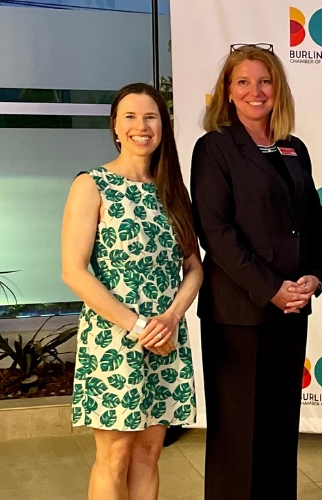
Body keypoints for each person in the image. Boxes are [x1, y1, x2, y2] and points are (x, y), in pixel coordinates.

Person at [190, 44, 322, 500]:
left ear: (278, 88)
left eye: (265, 81)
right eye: (243, 82)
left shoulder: (295, 148)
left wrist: (314, 276)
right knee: (239, 438)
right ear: (227, 92)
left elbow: (311, 222)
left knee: (279, 431)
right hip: (239, 313)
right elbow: (216, 231)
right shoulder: (214, 148)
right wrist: (270, 288)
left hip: (291, 310)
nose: (256, 91)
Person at [62, 82, 202, 499]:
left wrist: (171, 318)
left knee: (149, 454)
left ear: (163, 126)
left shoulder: (172, 190)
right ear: (115, 128)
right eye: (131, 117)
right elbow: (74, 271)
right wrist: (139, 326)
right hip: (114, 338)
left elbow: (193, 266)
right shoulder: (92, 184)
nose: (142, 126)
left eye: (151, 117)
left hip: (166, 336)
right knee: (116, 455)